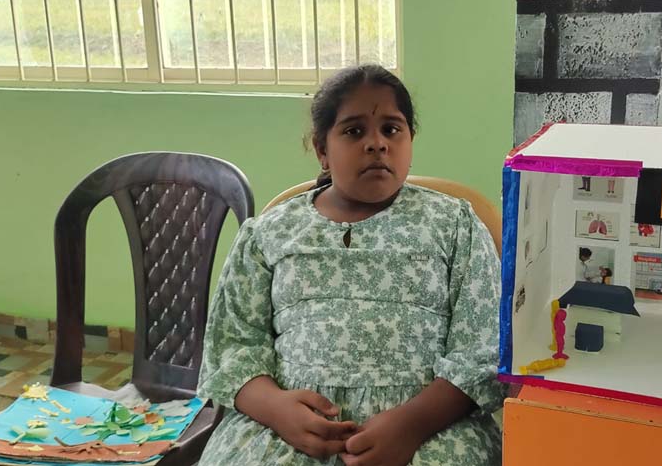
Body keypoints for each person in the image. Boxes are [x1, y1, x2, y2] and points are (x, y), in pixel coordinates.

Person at [197, 65, 503, 465]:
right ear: (322, 150)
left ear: (410, 140)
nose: (377, 144)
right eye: (354, 131)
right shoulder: (270, 233)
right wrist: (276, 409)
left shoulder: (454, 225)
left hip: (428, 429)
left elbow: (483, 348)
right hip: (284, 431)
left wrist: (409, 426)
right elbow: (232, 345)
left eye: (392, 129)